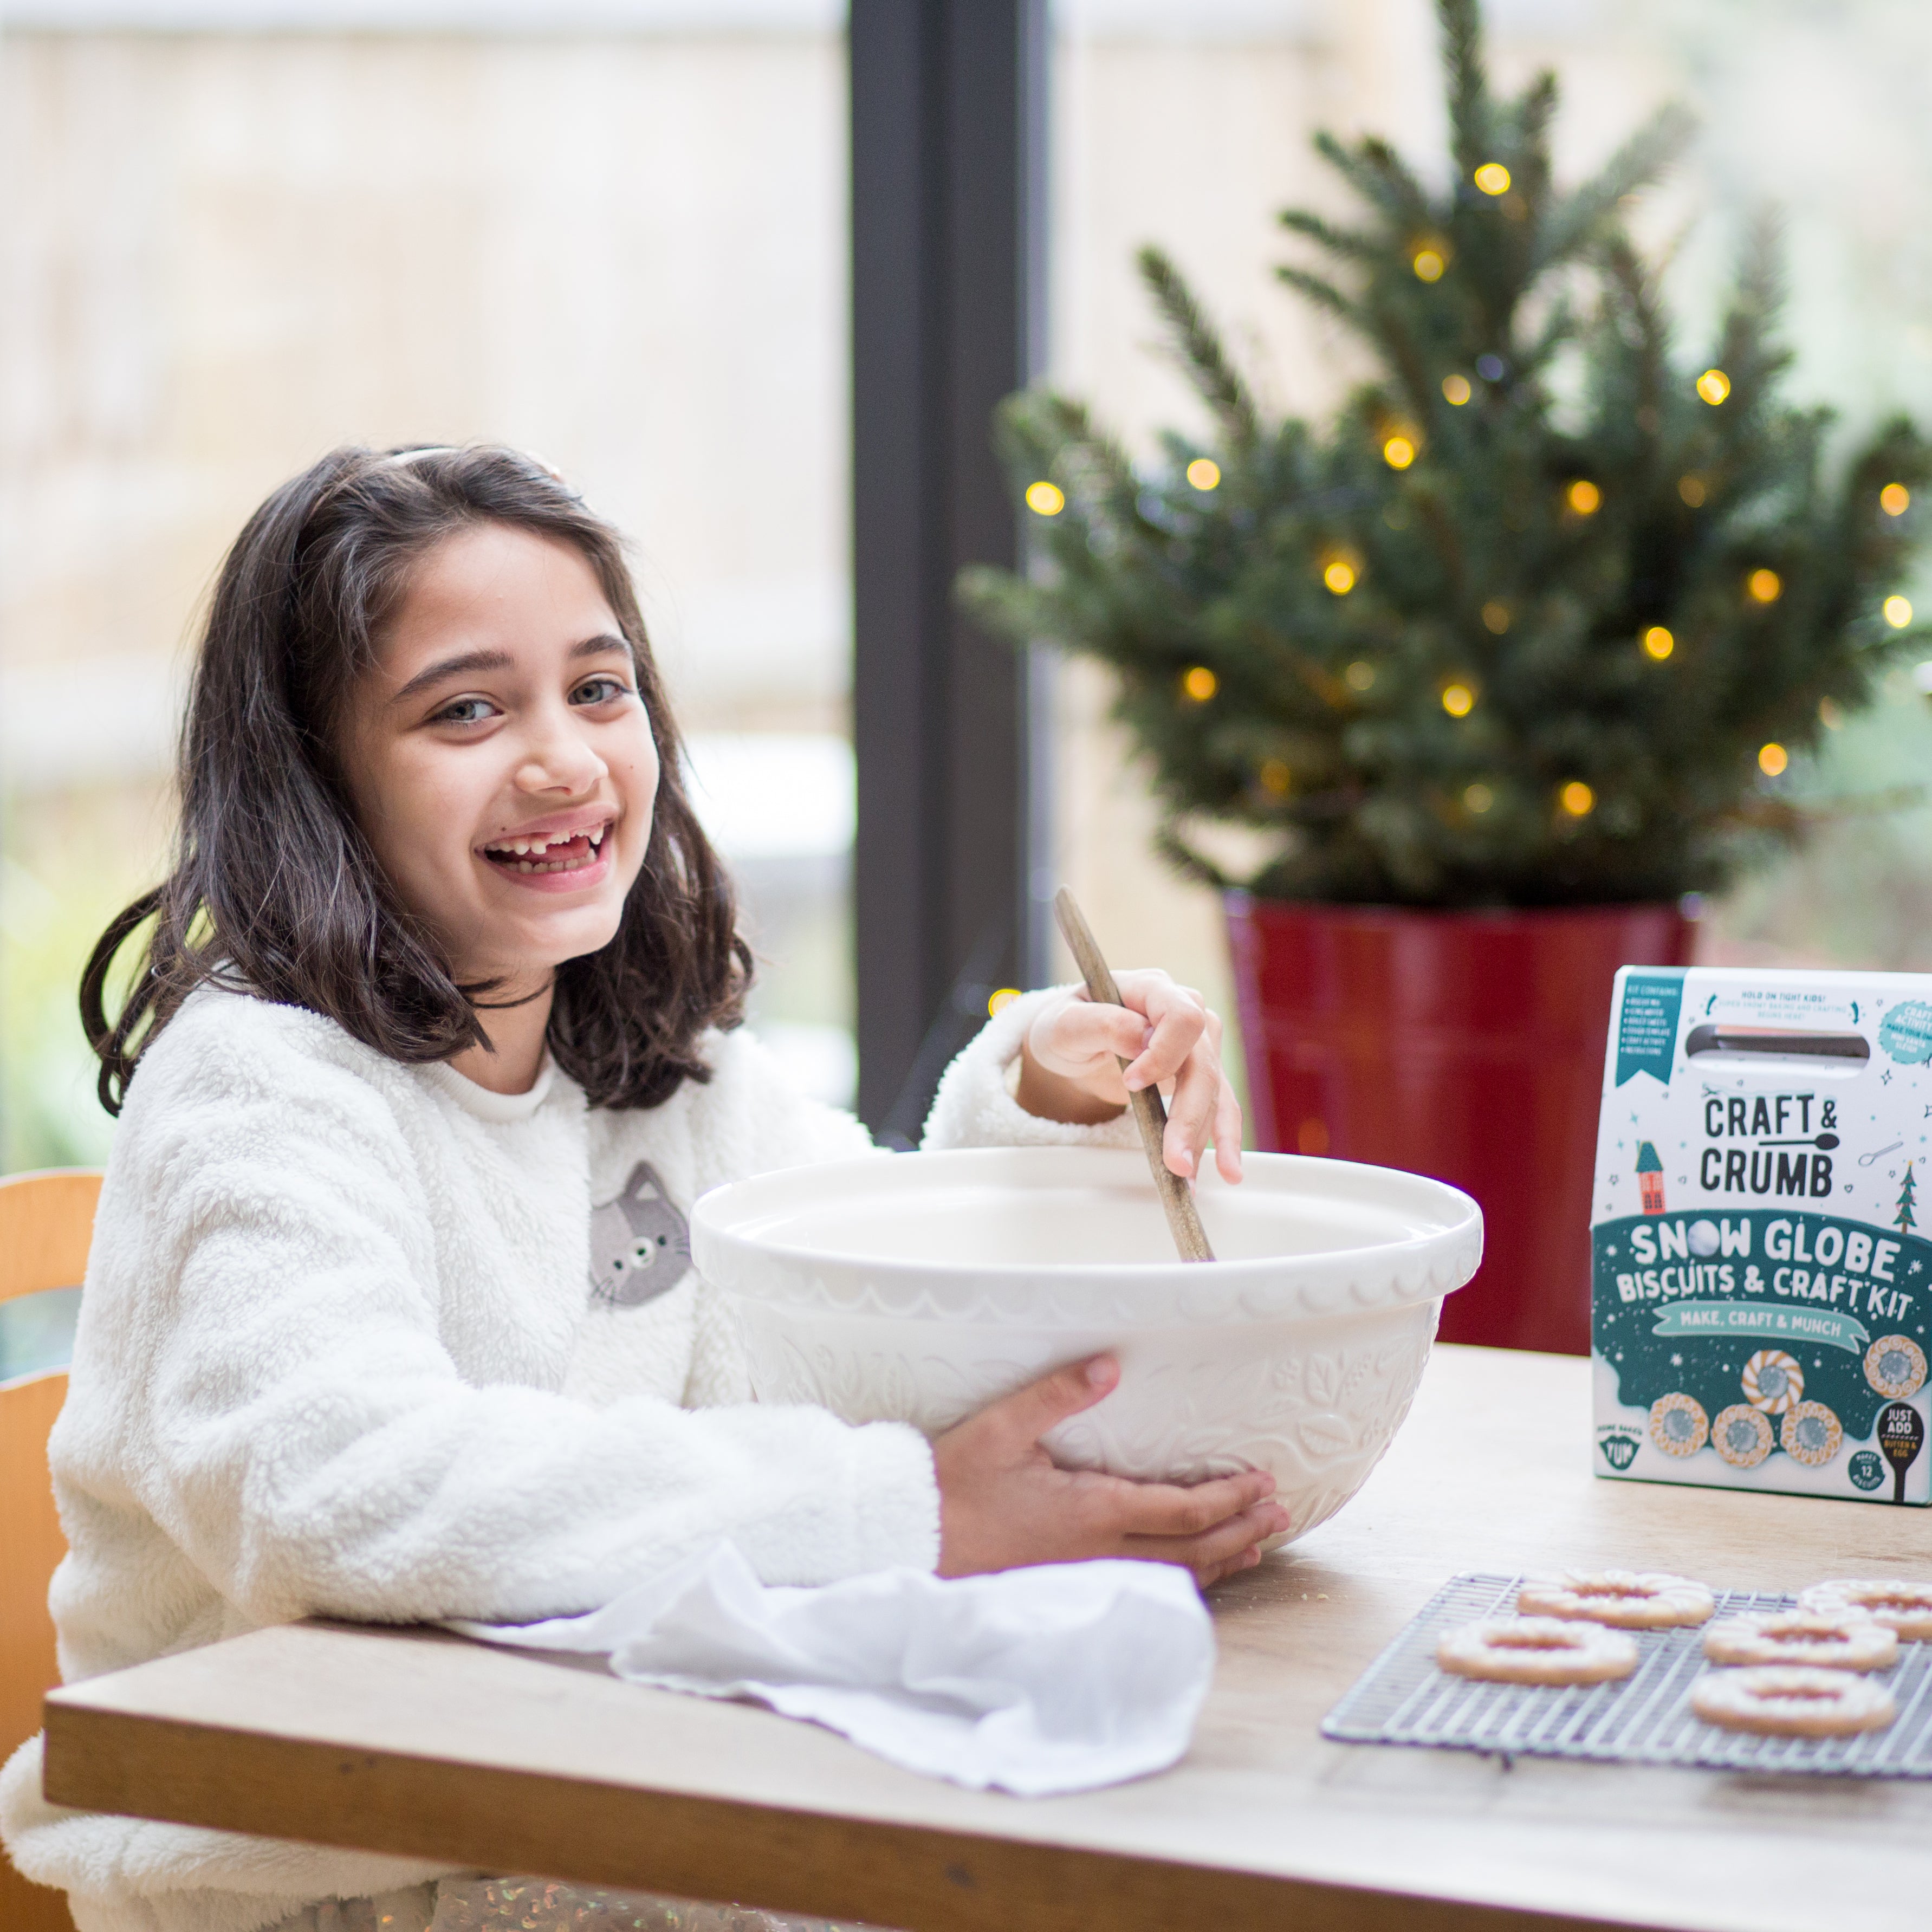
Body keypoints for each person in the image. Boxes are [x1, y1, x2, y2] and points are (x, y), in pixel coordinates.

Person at [0, 445, 1280, 1932]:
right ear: (316, 773)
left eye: (597, 690)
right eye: (466, 708)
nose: (560, 757)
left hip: (613, 1806)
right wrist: (902, 1510)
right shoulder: (260, 1090)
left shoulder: (657, 1065)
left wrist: (1046, 1088)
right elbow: (332, 1493)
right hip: (318, 1878)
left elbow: (868, 1301)